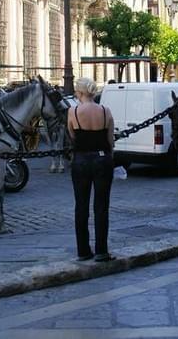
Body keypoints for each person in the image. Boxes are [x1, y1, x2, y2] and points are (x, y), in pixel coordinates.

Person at [67, 77, 115, 262]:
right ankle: (102, 251)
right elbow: (110, 140)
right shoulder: (105, 110)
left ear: (79, 93)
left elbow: (72, 135)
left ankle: (83, 250)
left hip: (81, 160)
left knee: (81, 206)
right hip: (102, 159)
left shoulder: (73, 111)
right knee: (101, 206)